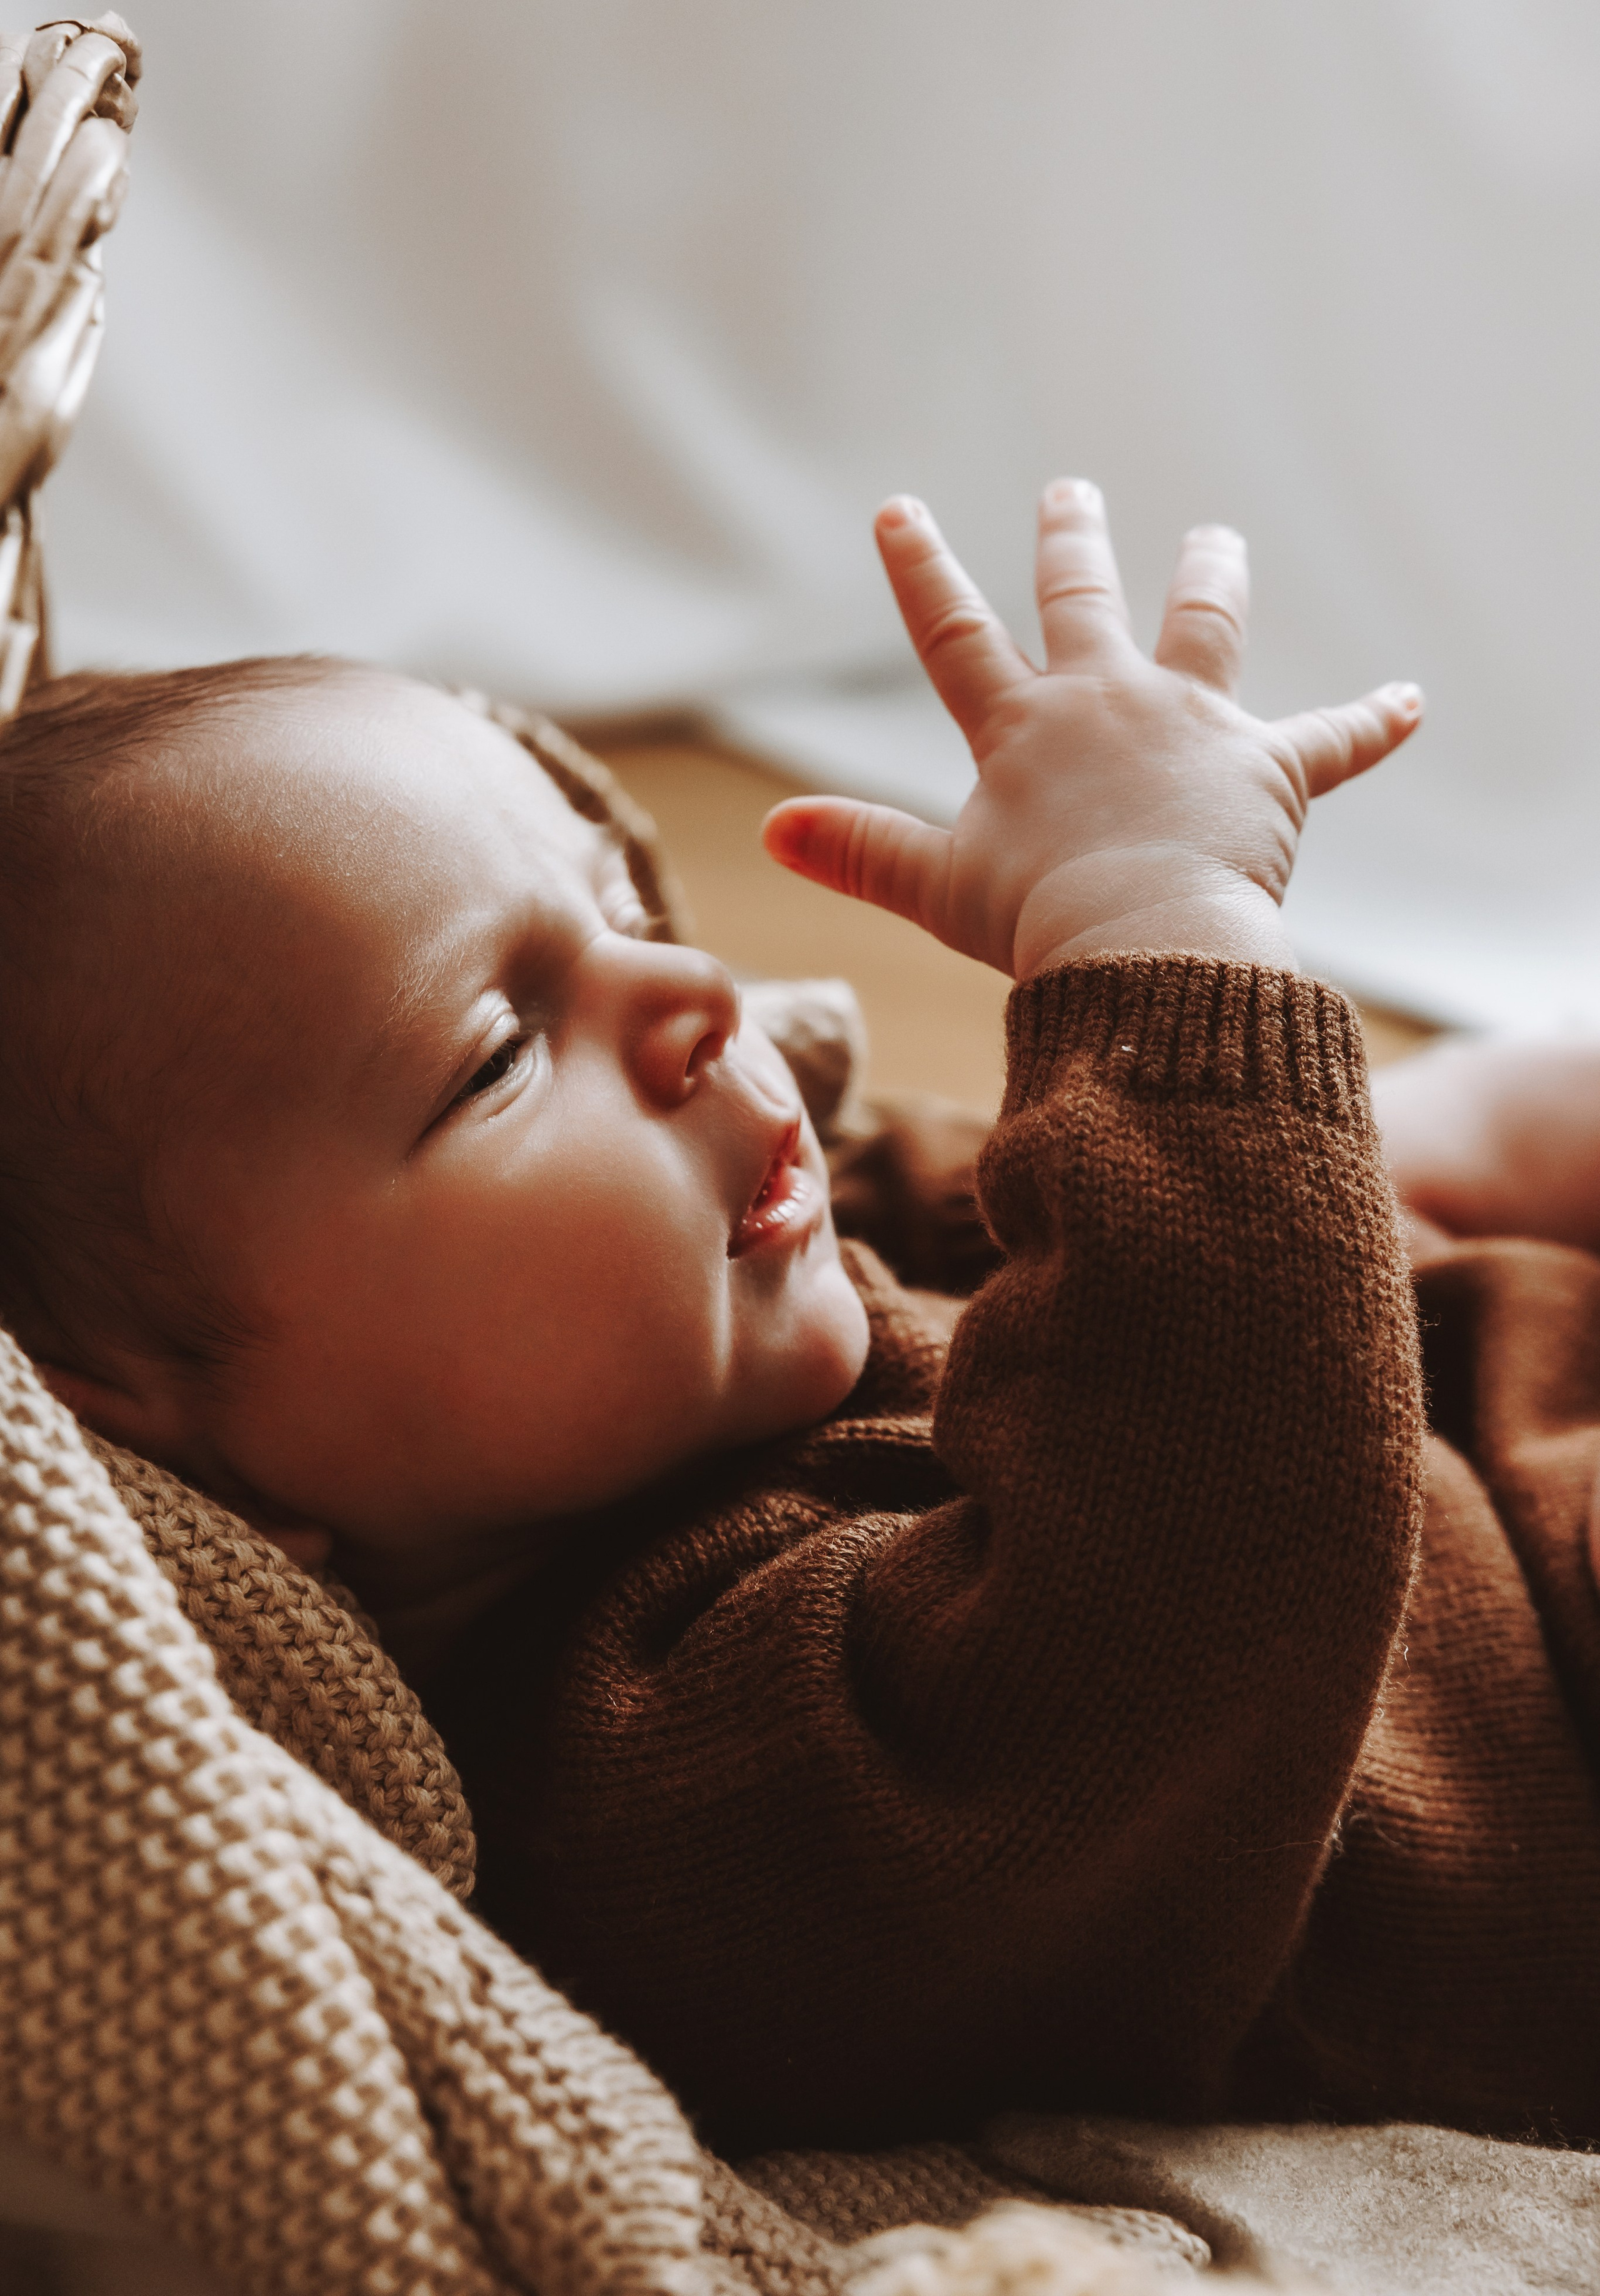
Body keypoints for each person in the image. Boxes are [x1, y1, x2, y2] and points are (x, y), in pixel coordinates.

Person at [1, 482, 1596, 2157]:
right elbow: (1203, 1526)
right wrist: (1159, 927)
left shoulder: (721, 1307)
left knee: (1465, 1125)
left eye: (618, 909)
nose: (696, 998)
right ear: (186, 1466)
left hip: (1504, 1405)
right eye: (495, 1056)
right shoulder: (676, 1790)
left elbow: (1113, 1199)